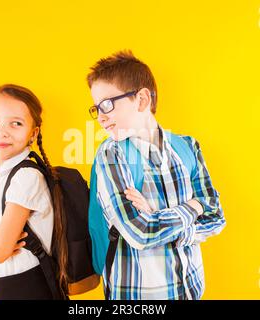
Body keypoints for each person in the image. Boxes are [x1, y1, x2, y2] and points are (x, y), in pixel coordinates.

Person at [87, 50, 226, 300]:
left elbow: (216, 216)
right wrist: (193, 207)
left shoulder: (188, 146)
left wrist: (156, 216)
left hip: (191, 289)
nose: (101, 117)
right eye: (96, 108)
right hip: (136, 295)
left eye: (107, 104)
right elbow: (140, 233)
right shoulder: (111, 154)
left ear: (141, 99)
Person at [0, 84, 68, 300]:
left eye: (16, 123)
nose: (2, 131)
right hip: (4, 287)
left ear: (33, 133)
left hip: (31, 288)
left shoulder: (26, 177)